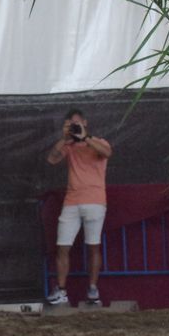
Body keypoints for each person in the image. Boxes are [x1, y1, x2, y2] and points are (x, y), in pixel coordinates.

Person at [45, 109, 113, 307]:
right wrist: (64, 138)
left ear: (85, 122)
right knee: (62, 246)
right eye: (70, 124)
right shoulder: (69, 146)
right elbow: (51, 158)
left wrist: (86, 137)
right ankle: (62, 290)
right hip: (72, 201)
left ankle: (93, 289)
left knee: (93, 245)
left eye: (76, 124)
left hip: (94, 200)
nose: (74, 128)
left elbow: (107, 152)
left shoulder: (99, 142)